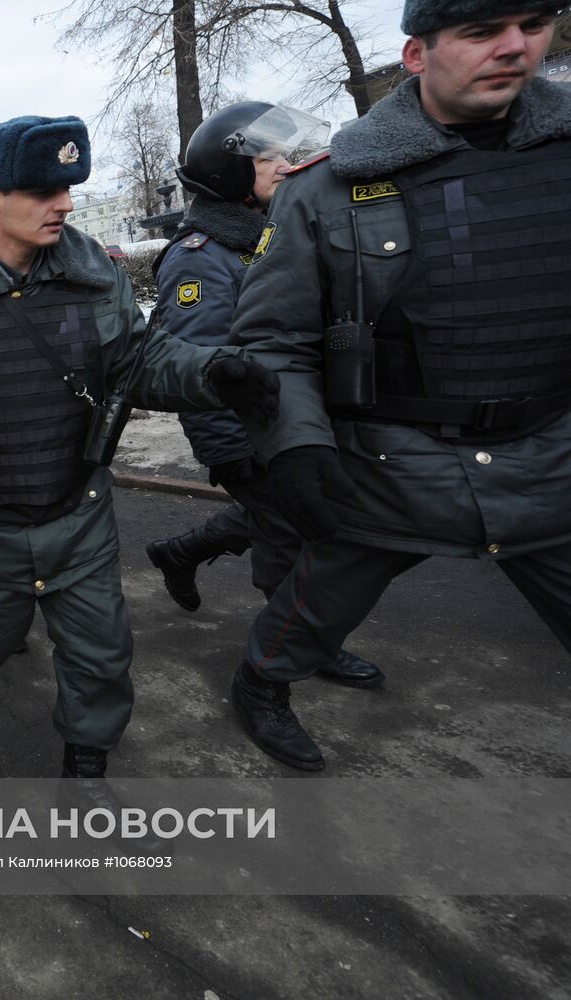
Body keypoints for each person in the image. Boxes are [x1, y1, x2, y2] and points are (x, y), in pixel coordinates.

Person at [226, 0, 571, 771]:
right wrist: (297, 446)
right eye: (481, 32)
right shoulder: (329, 187)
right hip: (392, 468)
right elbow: (271, 339)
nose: (514, 47)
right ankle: (261, 685)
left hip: (553, 459)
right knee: (316, 608)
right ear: (417, 54)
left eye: (533, 24)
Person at [0, 113, 279, 783]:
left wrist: (214, 372)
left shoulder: (94, 273)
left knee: (101, 655)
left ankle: (87, 762)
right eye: (45, 191)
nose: (65, 204)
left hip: (78, 507)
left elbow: (139, 360)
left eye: (68, 188)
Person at [144, 102, 383, 688]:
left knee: (286, 513)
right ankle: (293, 655)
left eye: (282, 155)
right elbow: (198, 365)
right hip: (248, 436)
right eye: (267, 158)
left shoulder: (270, 237)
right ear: (229, 173)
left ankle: (182, 551)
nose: (283, 166)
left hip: (291, 422)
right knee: (296, 540)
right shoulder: (200, 258)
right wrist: (233, 453)